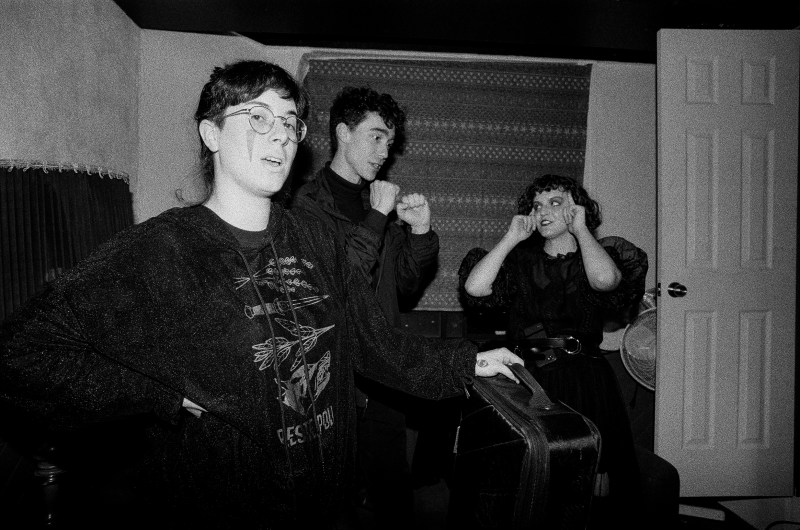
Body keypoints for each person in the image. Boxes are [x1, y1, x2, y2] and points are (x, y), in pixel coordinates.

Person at [0, 60, 523, 530]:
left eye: (291, 123)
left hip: (326, 506)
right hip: (225, 512)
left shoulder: (315, 238)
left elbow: (371, 340)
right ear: (212, 133)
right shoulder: (162, 249)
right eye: (258, 117)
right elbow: (19, 355)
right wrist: (158, 395)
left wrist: (465, 363)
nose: (281, 136)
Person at [459, 173, 647, 529]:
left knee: (585, 489)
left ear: (576, 208)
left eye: (555, 203)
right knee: (528, 480)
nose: (543, 211)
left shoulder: (596, 257)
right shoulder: (519, 261)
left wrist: (581, 231)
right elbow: (476, 287)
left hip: (584, 383)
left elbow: (605, 282)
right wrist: (511, 237)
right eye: (537, 205)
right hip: (528, 380)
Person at [291, 86, 435, 528]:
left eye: (389, 141)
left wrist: (420, 233)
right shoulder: (304, 205)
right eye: (375, 137)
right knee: (332, 498)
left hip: (381, 369)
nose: (384, 152)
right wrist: (377, 217)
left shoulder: (379, 201)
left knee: (394, 494)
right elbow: (338, 283)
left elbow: (404, 287)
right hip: (329, 372)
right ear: (343, 132)